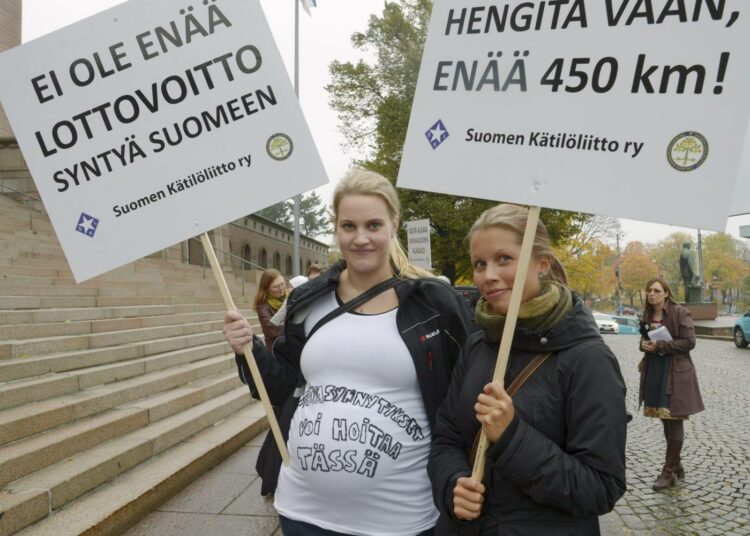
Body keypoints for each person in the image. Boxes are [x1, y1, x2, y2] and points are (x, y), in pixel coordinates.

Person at [223, 169, 473, 536]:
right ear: (336, 228)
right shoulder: (307, 301)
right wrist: (248, 350)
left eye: (373, 225)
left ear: (393, 224)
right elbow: (280, 389)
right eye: (348, 226)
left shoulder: (435, 304)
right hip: (303, 513)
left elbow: (461, 406)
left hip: (400, 519)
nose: (361, 238)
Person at [428, 204, 627, 535]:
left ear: (542, 263)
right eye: (480, 263)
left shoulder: (588, 359)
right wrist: (452, 486)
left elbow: (600, 488)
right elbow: (446, 437)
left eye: (504, 259)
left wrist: (511, 436)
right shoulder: (478, 344)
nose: (488, 275)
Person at [638, 276, 704, 491]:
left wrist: (659, 346)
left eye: (657, 290)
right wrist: (645, 345)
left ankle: (668, 473)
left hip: (675, 373)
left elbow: (690, 342)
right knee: (665, 421)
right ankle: (677, 464)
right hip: (655, 372)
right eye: (649, 290)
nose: (652, 294)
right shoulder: (647, 314)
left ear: (666, 293)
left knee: (674, 420)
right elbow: (647, 341)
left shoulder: (679, 312)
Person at [254, 269, 286, 352]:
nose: (281, 288)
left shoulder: (289, 297)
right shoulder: (262, 307)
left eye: (282, 284)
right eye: (276, 286)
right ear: (267, 289)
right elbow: (272, 330)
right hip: (277, 352)